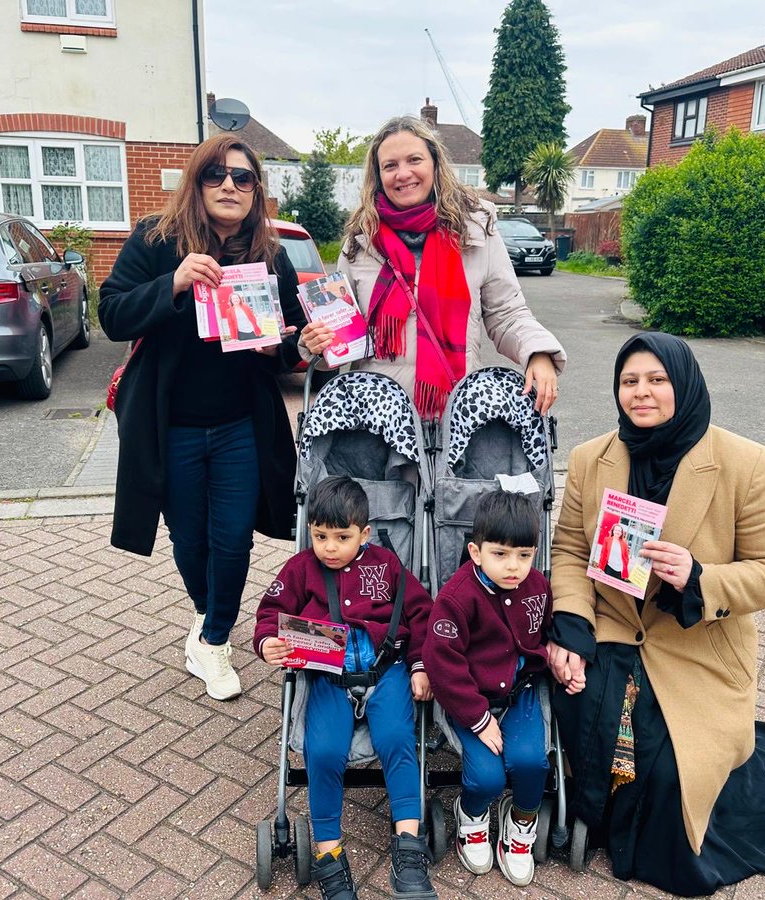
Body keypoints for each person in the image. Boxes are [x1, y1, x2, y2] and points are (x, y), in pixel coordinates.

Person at [545, 332, 765, 896]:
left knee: (670, 770)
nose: (641, 393)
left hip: (695, 644)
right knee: (582, 720)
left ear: (686, 383)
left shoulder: (744, 463)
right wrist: (572, 629)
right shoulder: (590, 458)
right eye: (630, 382)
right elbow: (571, 552)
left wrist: (701, 577)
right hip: (610, 631)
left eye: (657, 380)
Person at [98, 136, 305, 703]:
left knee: (233, 538)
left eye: (243, 178)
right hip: (171, 427)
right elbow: (112, 312)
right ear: (197, 181)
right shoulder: (155, 239)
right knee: (189, 539)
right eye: (217, 175)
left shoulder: (271, 252)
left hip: (241, 422)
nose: (230, 187)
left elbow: (290, 335)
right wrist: (174, 282)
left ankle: (214, 640)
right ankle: (205, 615)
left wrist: (282, 349)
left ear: (257, 191)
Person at [299, 115, 565, 420]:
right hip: (377, 418)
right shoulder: (361, 241)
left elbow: (506, 312)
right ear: (378, 175)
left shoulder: (475, 230)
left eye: (414, 160)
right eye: (390, 165)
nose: (403, 174)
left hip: (456, 416)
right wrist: (315, 344)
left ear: (435, 164)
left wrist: (539, 351)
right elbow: (342, 334)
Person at [254, 476, 437, 900]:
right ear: (309, 531)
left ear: (365, 534)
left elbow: (421, 611)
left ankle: (408, 847)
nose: (330, 547)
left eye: (342, 537)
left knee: (396, 738)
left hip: (385, 668)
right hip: (327, 676)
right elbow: (270, 612)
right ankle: (329, 854)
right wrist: (268, 642)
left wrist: (420, 665)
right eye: (320, 536)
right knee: (324, 750)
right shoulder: (300, 569)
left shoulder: (386, 565)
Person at [424, 490, 568, 888]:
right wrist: (476, 716)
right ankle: (470, 815)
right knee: (485, 777)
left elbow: (544, 629)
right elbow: (442, 661)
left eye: (524, 555)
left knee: (532, 763)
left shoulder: (537, 586)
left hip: (519, 692)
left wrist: (558, 651)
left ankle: (520, 822)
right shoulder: (458, 597)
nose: (514, 567)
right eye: (501, 554)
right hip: (473, 699)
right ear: (476, 551)